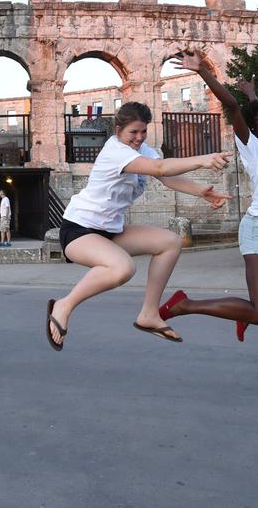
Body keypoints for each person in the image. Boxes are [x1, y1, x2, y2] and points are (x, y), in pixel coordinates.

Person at [45, 101, 232, 351]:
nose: (139, 138)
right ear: (118, 129)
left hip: (110, 231)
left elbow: (166, 176)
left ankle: (149, 314)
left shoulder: (142, 149)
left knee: (169, 242)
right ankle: (64, 305)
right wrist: (203, 160)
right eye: (133, 132)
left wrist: (201, 191)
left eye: (143, 131)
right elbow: (159, 167)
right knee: (122, 268)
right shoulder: (116, 152)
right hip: (79, 230)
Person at [157, 51, 258, 341]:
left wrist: (252, 92)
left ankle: (241, 311)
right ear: (252, 126)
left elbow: (255, 108)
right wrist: (203, 70)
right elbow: (231, 105)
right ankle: (185, 304)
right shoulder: (250, 145)